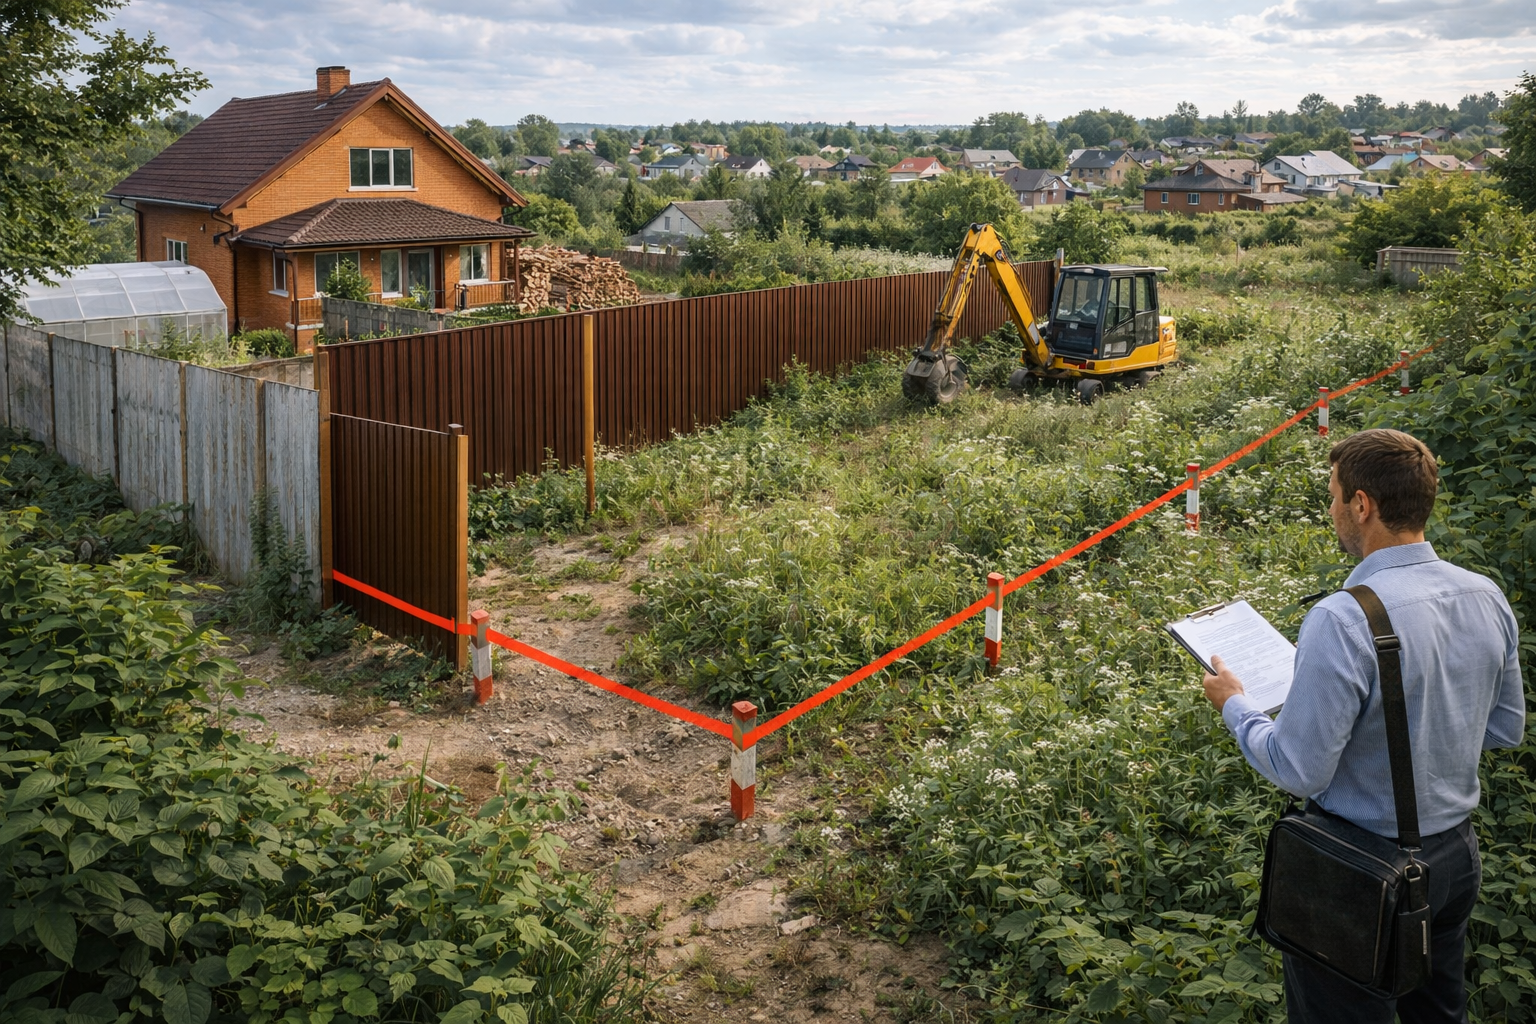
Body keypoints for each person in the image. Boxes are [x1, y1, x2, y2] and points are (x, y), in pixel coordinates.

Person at [1201, 428, 1525, 1024]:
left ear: (1362, 504)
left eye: (1332, 496)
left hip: (1360, 867)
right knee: (1438, 1013)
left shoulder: (1344, 618)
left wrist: (1235, 704)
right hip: (1455, 858)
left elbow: (1299, 769)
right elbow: (1504, 728)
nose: (1331, 511)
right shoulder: (1486, 595)